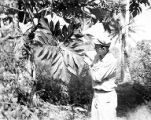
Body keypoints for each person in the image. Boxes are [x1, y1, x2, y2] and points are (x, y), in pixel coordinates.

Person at [85, 38, 118, 120]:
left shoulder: (111, 61)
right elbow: (85, 53)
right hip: (96, 95)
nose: (94, 49)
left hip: (106, 97)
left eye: (96, 47)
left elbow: (97, 77)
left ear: (103, 49)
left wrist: (90, 65)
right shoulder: (98, 56)